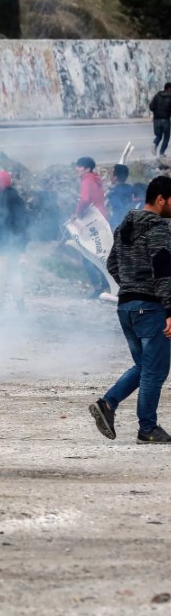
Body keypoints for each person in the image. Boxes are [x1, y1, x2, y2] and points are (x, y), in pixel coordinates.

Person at [89, 176, 171, 444]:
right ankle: (147, 428)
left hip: (126, 307)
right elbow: (163, 272)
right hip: (150, 308)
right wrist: (169, 310)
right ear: (161, 199)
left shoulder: (125, 225)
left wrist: (131, 285)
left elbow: (111, 264)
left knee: (144, 365)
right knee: (155, 371)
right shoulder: (159, 228)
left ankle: (108, 404)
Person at [0, 170, 28, 310]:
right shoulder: (15, 197)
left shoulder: (5, 198)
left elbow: (18, 224)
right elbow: (23, 224)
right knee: (14, 275)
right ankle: (20, 304)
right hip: (11, 245)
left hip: (4, 245)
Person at [73, 156, 109, 298]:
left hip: (91, 221)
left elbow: (85, 200)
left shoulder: (86, 181)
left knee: (87, 255)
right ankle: (106, 282)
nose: (77, 169)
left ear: (87, 169)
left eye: (79, 166)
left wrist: (77, 214)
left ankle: (98, 288)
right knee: (99, 253)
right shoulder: (96, 180)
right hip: (101, 219)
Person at [149, 82, 171, 158]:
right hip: (165, 120)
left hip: (156, 120)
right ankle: (161, 152)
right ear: (169, 88)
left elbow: (151, 107)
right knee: (166, 136)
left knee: (158, 136)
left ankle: (154, 144)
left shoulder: (157, 96)